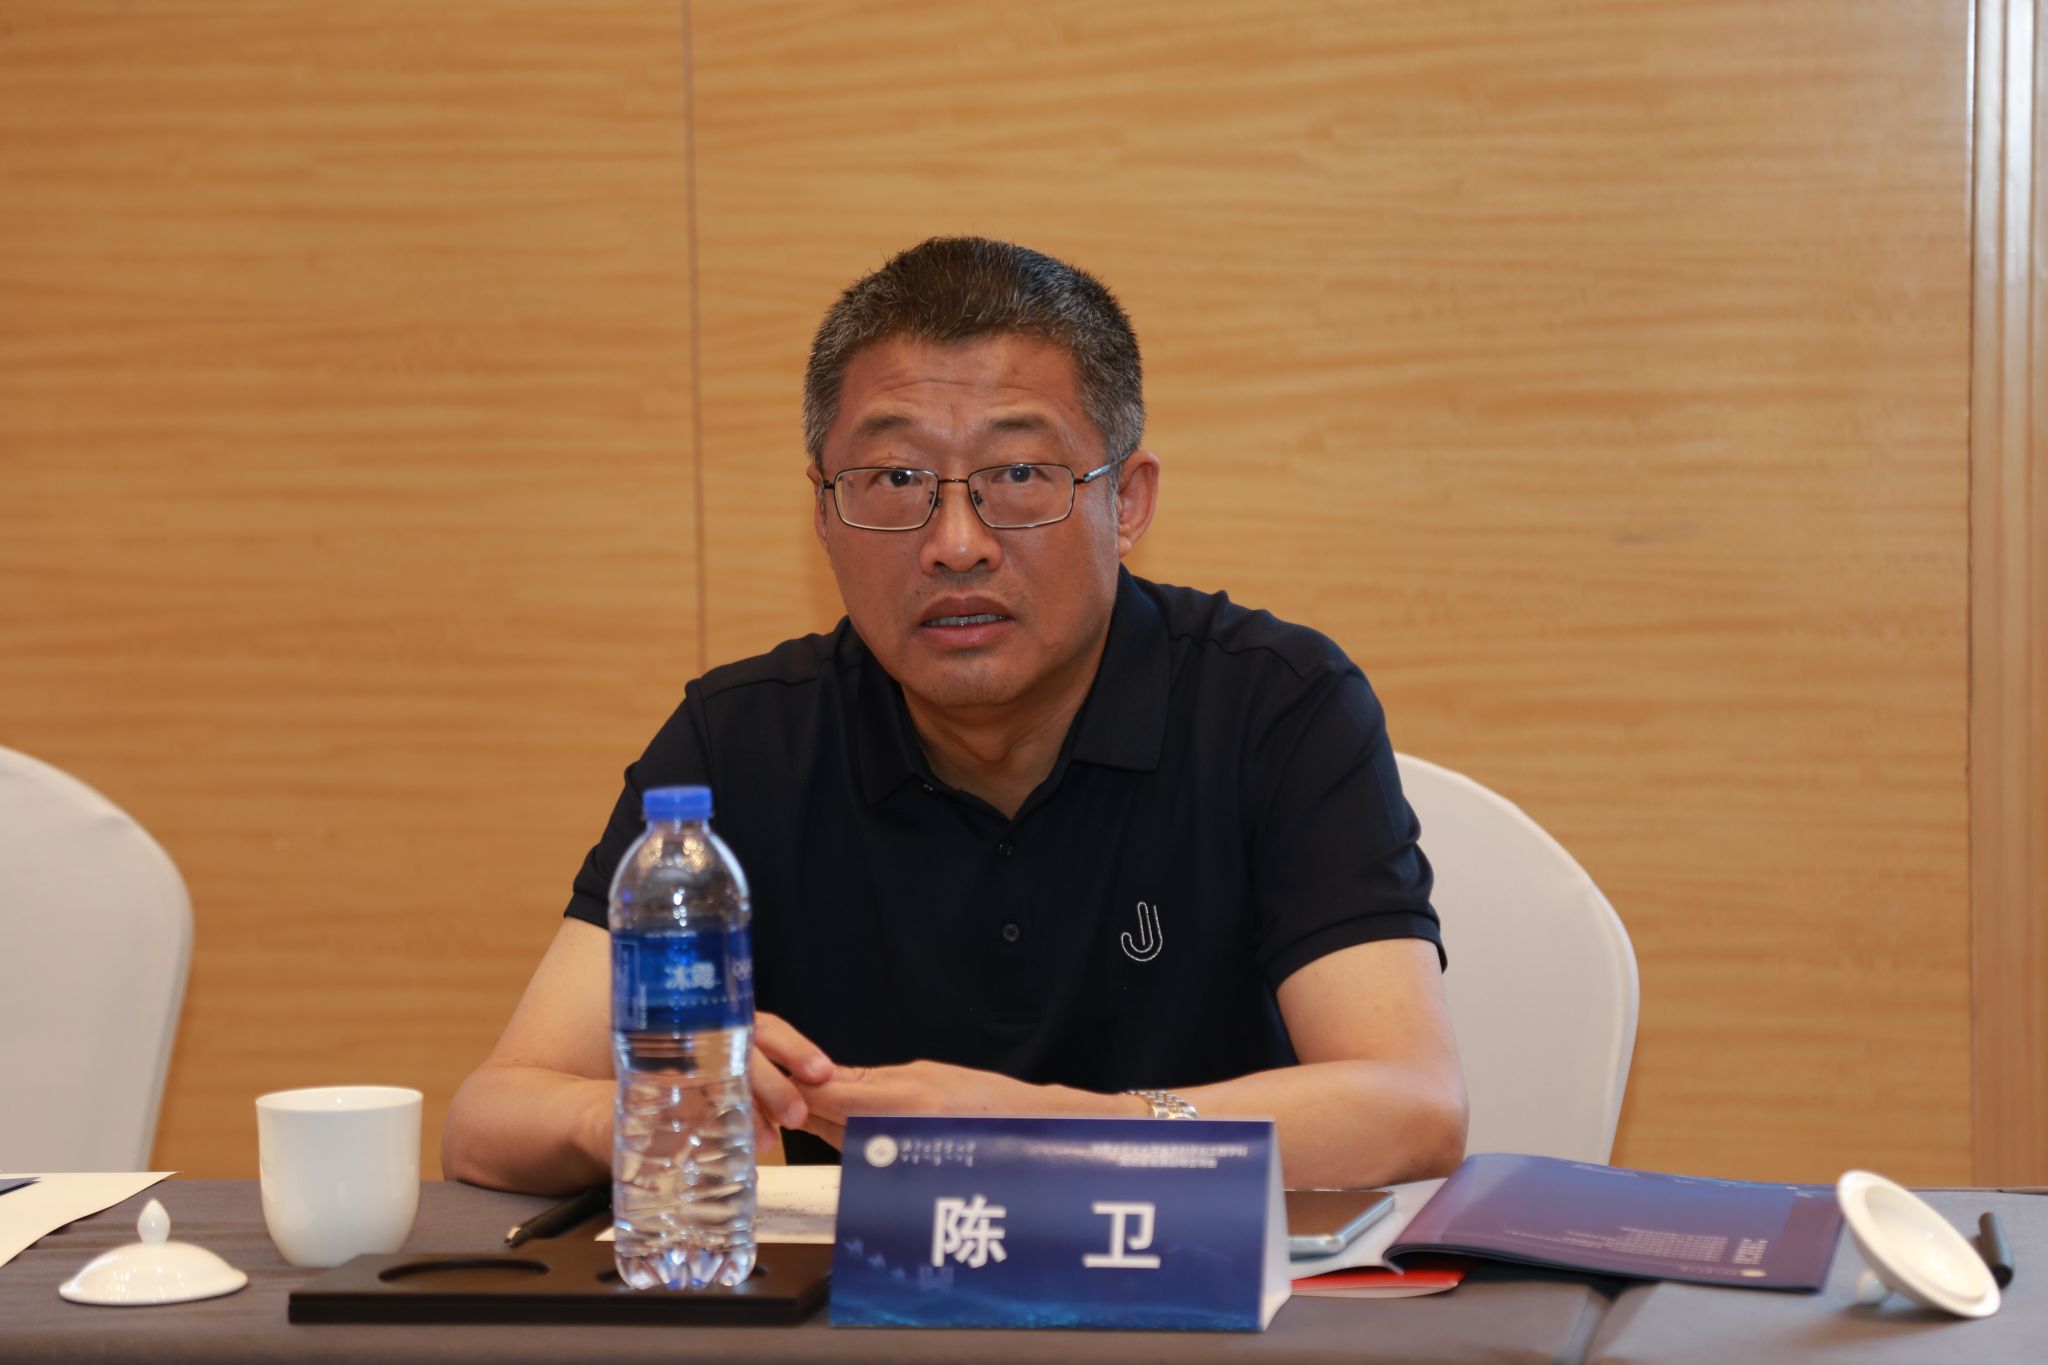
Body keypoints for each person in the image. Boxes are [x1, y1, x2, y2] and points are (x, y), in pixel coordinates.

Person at [443, 237, 1466, 1194]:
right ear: (822, 512)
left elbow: (1411, 1105)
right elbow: (490, 1118)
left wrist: (1044, 1130)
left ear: (1127, 501)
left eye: (1018, 474)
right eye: (895, 479)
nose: (957, 542)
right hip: (852, 1306)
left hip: (1189, 1296)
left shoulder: (1274, 705)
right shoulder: (742, 741)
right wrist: (644, 1108)